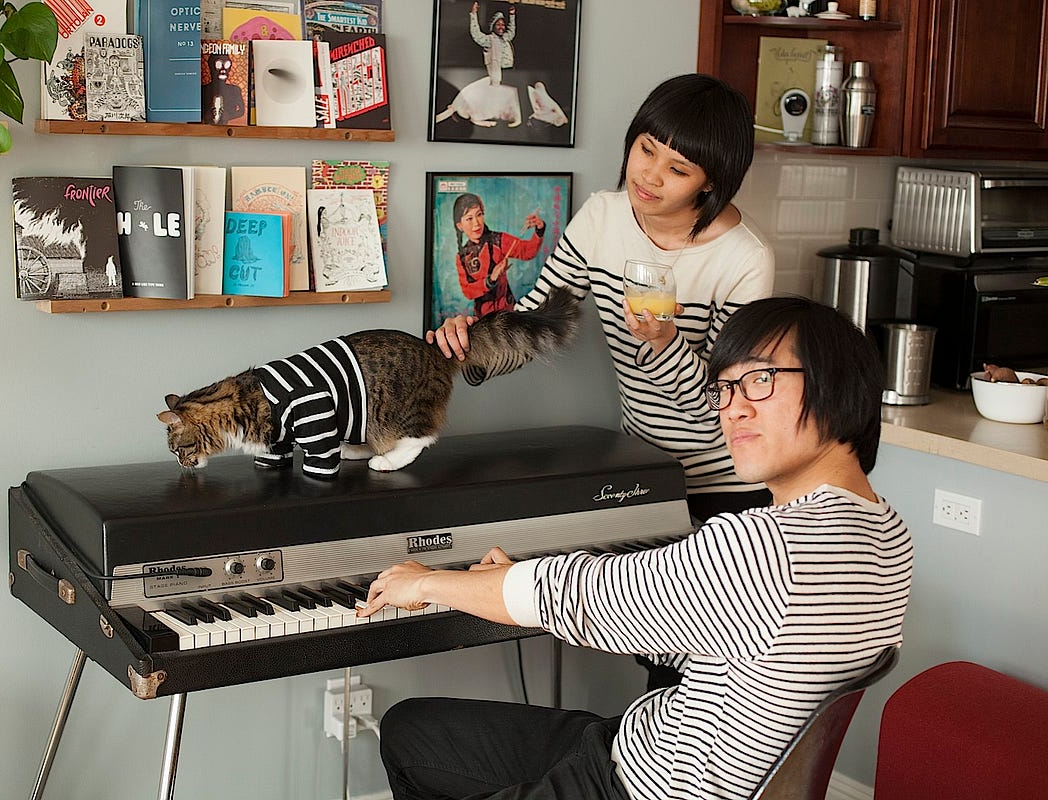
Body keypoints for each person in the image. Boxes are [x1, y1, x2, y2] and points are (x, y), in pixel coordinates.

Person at [363, 296, 913, 800]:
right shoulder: (885, 531)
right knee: (411, 730)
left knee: (411, 743)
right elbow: (724, 638)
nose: (733, 409)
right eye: (724, 389)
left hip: (638, 785)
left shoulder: (769, 545)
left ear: (837, 384)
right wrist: (527, 585)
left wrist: (426, 580)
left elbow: (574, 596)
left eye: (760, 379)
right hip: (648, 746)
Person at [428, 74, 775, 524]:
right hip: (641, 471)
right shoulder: (602, 217)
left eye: (678, 169)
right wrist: (467, 343)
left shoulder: (745, 258)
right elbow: (539, 322)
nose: (649, 175)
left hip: (725, 489)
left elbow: (722, 406)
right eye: (646, 149)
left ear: (710, 183)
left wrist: (665, 343)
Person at [453, 193, 545, 317]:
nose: (476, 223)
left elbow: (527, 251)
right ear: (460, 226)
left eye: (479, 215)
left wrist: (539, 229)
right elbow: (468, 291)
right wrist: (491, 279)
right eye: (469, 219)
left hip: (507, 310)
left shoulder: (498, 240)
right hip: (483, 317)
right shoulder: (462, 257)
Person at [470, 2, 516, 86]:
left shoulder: (506, 37)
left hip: (510, 73)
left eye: (503, 25)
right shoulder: (489, 40)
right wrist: (473, 14)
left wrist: (512, 15)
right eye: (498, 24)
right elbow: (476, 33)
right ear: (493, 26)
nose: (501, 27)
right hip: (497, 75)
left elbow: (512, 30)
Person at [202, 51, 245, 125]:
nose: (223, 70)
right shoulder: (203, 90)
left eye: (227, 65)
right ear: (211, 67)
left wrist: (228, 116)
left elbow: (241, 111)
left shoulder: (235, 90)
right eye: (218, 65)